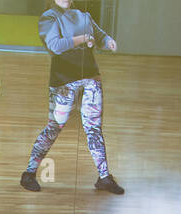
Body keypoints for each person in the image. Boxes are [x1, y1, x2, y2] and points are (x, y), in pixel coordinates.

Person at [20, 0, 122, 194]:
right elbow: (55, 45)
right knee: (54, 127)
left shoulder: (83, 15)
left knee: (93, 127)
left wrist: (108, 41)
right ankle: (29, 173)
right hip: (63, 80)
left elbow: (99, 35)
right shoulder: (49, 17)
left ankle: (104, 177)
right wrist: (83, 38)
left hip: (90, 78)